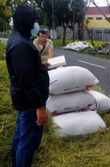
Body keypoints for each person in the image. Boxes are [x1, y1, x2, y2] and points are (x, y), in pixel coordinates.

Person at [6, 5, 49, 167]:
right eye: (32, 21)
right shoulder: (21, 46)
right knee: (28, 142)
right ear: (25, 21)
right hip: (30, 102)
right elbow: (26, 81)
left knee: (21, 136)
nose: (34, 26)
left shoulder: (19, 40)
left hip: (24, 100)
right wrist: (39, 107)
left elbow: (25, 70)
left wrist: (40, 66)